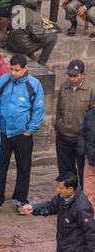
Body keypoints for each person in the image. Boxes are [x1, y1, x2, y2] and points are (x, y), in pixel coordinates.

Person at [20, 173, 95, 252]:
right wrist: (33, 208)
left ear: (70, 189)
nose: (57, 190)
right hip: (67, 249)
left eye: (60, 188)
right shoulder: (63, 197)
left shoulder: (81, 207)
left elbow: (91, 233)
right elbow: (51, 206)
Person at [0, 54, 45, 212]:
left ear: (25, 69)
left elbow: (39, 109)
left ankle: (20, 198)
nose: (14, 73)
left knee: (23, 167)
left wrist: (31, 129)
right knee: (0, 166)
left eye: (17, 70)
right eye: (12, 69)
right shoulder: (3, 81)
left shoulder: (34, 84)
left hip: (22, 134)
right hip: (3, 132)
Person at [55, 59, 93, 187]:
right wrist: (59, 125)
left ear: (82, 75)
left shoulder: (91, 90)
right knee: (66, 172)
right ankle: (68, 199)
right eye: (70, 75)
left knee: (83, 172)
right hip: (63, 136)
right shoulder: (63, 87)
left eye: (75, 75)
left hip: (81, 139)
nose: (72, 78)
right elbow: (59, 108)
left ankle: (82, 199)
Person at [6, 0, 58, 66]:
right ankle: (41, 62)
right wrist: (44, 31)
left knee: (25, 34)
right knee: (53, 37)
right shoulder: (35, 16)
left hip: (11, 44)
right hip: (22, 47)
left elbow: (10, 28)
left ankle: (30, 54)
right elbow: (40, 36)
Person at [77, 95, 95, 212]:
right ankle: (89, 217)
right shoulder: (89, 115)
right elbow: (82, 133)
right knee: (88, 191)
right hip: (90, 159)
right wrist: (82, 151)